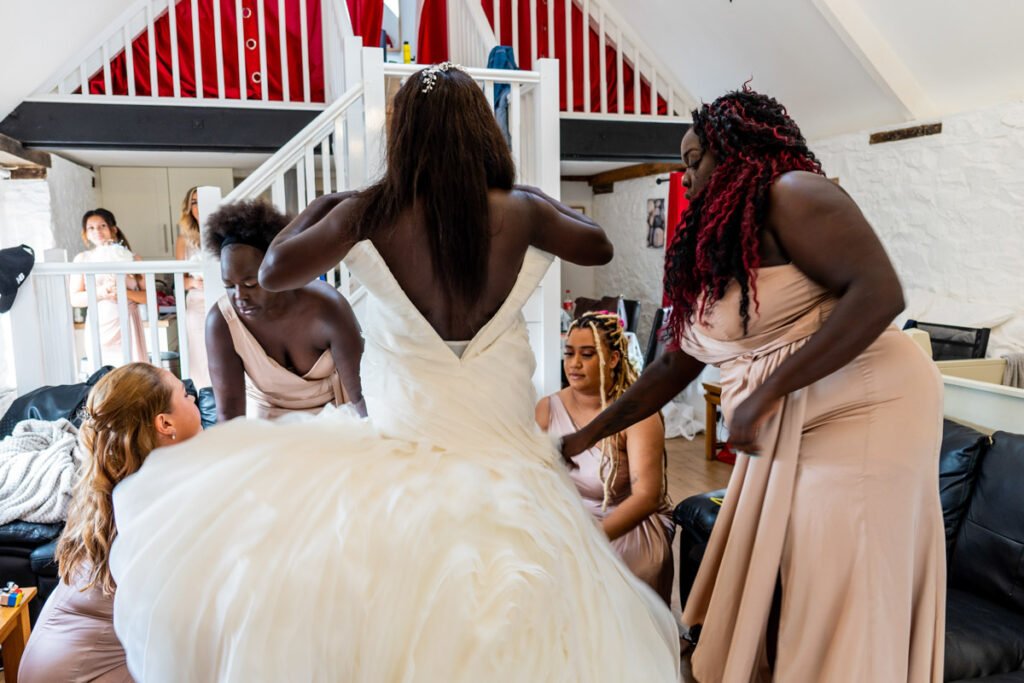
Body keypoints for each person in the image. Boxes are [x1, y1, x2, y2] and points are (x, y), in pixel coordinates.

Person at [108, 63, 680, 681]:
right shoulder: (521, 212)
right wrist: (534, 197)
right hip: (512, 464)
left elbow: (273, 271)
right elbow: (599, 244)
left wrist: (329, 206)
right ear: (483, 135)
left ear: (403, 137)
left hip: (402, 457)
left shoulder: (370, 213)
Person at [562, 87, 946, 682]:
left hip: (870, 404)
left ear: (738, 149)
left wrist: (767, 393)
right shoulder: (719, 251)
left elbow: (880, 293)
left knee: (838, 580)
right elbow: (671, 367)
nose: (685, 178)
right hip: (793, 416)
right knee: (782, 574)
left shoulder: (794, 194)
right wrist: (584, 435)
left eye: (693, 161)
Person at [20, 363, 202, 683]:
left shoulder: (116, 486)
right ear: (165, 423)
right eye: (186, 396)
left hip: (50, 659)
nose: (194, 402)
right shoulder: (154, 502)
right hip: (83, 670)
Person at [536, 311, 674, 603]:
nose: (574, 364)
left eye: (587, 354)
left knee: (603, 574)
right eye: (569, 353)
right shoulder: (547, 408)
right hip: (569, 515)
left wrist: (591, 538)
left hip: (626, 522)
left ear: (612, 359)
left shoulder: (638, 416)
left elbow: (647, 497)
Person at [204, 199, 364, 420]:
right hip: (270, 427)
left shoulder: (327, 308)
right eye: (229, 286)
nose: (239, 297)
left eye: (250, 284)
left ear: (275, 272)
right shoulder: (221, 322)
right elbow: (229, 411)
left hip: (335, 419)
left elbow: (360, 394)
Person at [69, 209, 148, 369]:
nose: (97, 231)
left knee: (134, 376)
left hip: (129, 323)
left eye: (102, 226)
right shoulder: (82, 260)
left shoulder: (133, 259)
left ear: (113, 229)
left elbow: (148, 297)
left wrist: (124, 293)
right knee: (106, 375)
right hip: (100, 325)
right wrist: (101, 292)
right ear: (85, 233)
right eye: (91, 227)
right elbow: (75, 299)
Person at [174, 186, 211, 388]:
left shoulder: (223, 234)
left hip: (223, 299)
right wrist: (195, 282)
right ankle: (205, 397)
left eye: (202, 201)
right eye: (194, 202)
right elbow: (179, 279)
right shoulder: (184, 240)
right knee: (200, 353)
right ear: (189, 209)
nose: (198, 207)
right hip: (197, 302)